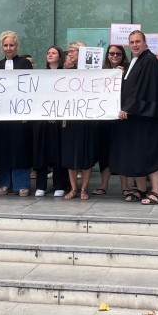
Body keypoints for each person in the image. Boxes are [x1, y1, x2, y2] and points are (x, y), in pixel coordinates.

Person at [111, 30, 158, 205]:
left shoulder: (148, 59)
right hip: (135, 116)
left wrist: (129, 107)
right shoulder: (136, 61)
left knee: (150, 152)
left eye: (138, 41)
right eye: (132, 42)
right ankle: (141, 189)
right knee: (138, 153)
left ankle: (157, 191)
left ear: (145, 42)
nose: (135, 45)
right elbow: (131, 85)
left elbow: (144, 88)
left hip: (146, 115)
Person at [0, 30, 34, 196]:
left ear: (17, 46)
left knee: (20, 148)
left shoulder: (25, 63)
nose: (8, 48)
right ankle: (5, 183)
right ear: (1, 47)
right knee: (4, 147)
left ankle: (21, 184)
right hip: (2, 113)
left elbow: (29, 87)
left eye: (11, 45)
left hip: (20, 113)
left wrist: (26, 112)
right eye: (5, 45)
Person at [61, 42, 97, 200]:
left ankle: (84, 189)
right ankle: (74, 188)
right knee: (70, 154)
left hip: (87, 118)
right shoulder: (67, 70)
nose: (69, 54)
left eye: (72, 51)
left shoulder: (92, 70)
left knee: (86, 153)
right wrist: (66, 69)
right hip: (71, 117)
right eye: (68, 51)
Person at [33, 46, 67, 197]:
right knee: (41, 151)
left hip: (59, 121)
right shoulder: (41, 75)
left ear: (60, 56)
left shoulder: (65, 74)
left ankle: (59, 184)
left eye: (54, 53)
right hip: (42, 121)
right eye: (48, 53)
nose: (50, 55)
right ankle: (41, 185)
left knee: (57, 152)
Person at [93, 44, 127, 196]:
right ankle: (104, 185)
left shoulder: (128, 70)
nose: (115, 56)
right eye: (112, 53)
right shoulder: (101, 70)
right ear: (107, 55)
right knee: (104, 151)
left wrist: (123, 76)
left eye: (118, 54)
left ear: (122, 55)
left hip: (121, 117)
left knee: (122, 150)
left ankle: (125, 186)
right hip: (104, 117)